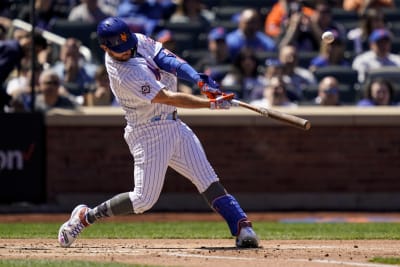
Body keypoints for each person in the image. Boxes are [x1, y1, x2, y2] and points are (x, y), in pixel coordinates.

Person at [57, 17, 259, 249]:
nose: (127, 51)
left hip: (174, 124)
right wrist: (210, 104)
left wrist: (199, 80)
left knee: (207, 179)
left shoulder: (136, 40)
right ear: (105, 48)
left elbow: (167, 59)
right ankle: (86, 217)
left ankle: (243, 227)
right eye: (120, 50)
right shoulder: (124, 74)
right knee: (143, 200)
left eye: (128, 45)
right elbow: (167, 97)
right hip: (148, 132)